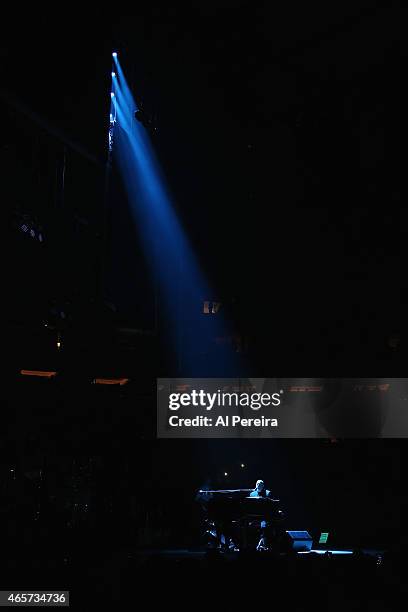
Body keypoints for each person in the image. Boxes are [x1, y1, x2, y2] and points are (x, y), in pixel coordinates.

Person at [249, 480, 275, 550]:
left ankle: (264, 544)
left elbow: (271, 506)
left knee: (264, 525)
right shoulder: (252, 494)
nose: (258, 485)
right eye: (257, 484)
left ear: (263, 485)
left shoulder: (268, 493)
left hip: (265, 516)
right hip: (255, 517)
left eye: (260, 484)